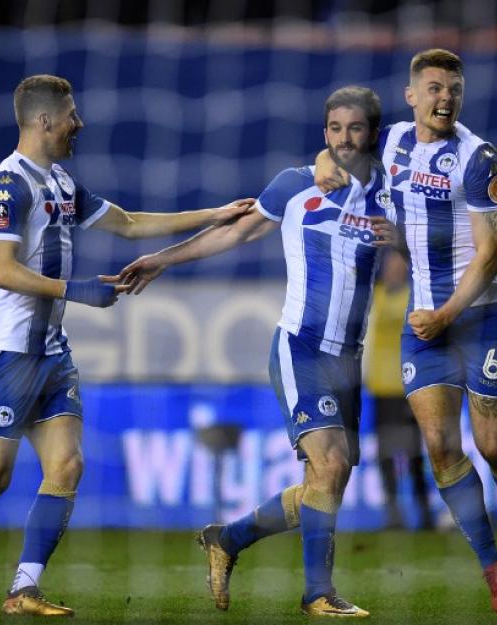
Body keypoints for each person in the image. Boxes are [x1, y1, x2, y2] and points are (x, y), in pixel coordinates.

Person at [0, 74, 253, 617]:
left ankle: (22, 590)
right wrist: (75, 290)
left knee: (68, 465)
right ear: (44, 119)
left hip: (53, 353)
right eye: (71, 114)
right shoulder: (8, 185)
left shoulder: (60, 182)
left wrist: (217, 214)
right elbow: (1, 270)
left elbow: (129, 224)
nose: (79, 123)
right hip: (8, 352)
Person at [118, 86, 389, 619]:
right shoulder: (296, 184)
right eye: (334, 129)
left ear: (372, 134)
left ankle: (227, 539)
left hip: (348, 359)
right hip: (301, 347)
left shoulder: (388, 191)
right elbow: (234, 235)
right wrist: (162, 259)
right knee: (331, 464)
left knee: (325, 483)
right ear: (324, 133)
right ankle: (318, 594)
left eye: (355, 128)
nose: (343, 139)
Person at [316, 49, 497, 615]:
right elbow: (343, 147)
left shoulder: (478, 158)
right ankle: (492, 566)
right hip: (424, 323)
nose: (446, 99)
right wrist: (325, 160)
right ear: (411, 95)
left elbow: (490, 255)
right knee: (442, 448)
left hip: (479, 318)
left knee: (493, 447)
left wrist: (445, 315)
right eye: (435, 88)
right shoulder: (394, 140)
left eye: (454, 90)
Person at [363, 249, 434, 531]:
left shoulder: (412, 298)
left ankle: (425, 514)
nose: (394, 271)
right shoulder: (374, 297)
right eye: (390, 266)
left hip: (409, 388)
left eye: (399, 267)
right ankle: (393, 515)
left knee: (414, 454)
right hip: (381, 390)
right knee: (385, 455)